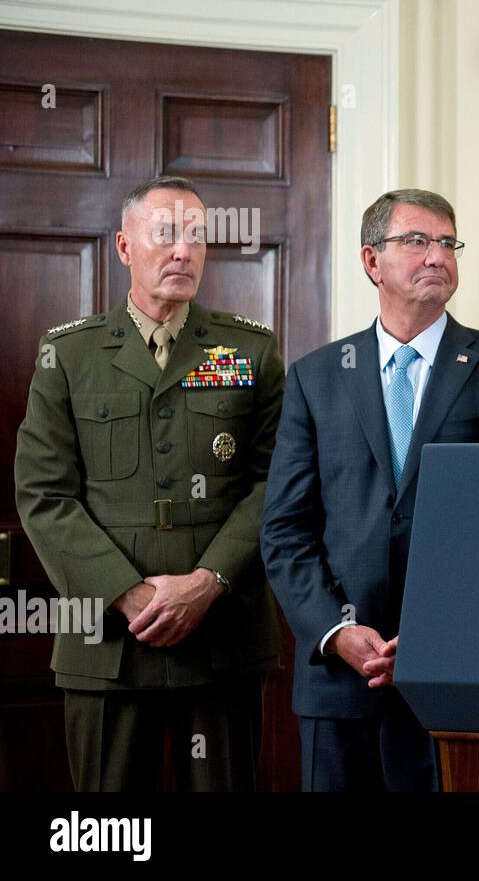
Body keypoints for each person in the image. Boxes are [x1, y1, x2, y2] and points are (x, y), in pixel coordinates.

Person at [261, 189, 479, 791]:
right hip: (339, 683)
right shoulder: (314, 377)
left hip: (456, 675)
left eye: (448, 242)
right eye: (416, 241)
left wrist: (440, 628)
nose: (437, 255)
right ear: (371, 262)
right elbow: (286, 529)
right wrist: (336, 632)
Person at [14, 175, 284, 791]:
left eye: (196, 236)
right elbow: (44, 494)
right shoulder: (69, 356)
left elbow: (276, 484)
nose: (184, 250)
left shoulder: (250, 351)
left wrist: (208, 582)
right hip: (110, 644)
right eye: (165, 234)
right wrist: (124, 592)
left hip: (221, 639)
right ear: (123, 247)